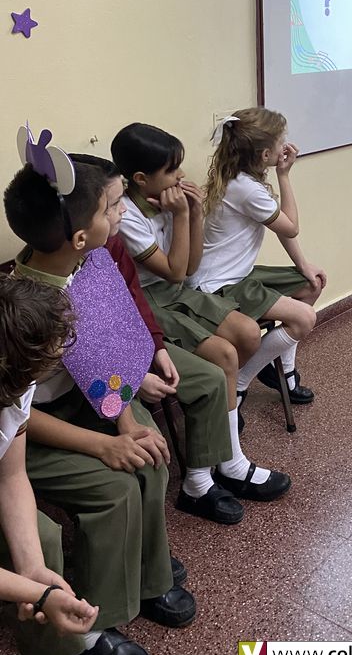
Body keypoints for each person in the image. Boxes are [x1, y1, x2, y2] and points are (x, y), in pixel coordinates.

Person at [4, 157, 194, 655]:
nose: (122, 212)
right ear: (81, 235)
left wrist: (127, 421)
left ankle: (147, 577)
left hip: (74, 405)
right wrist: (104, 445)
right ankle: (96, 619)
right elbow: (19, 415)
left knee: (148, 451)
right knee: (114, 487)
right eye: (113, 206)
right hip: (38, 425)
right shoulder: (29, 313)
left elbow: (109, 358)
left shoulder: (89, 264)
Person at [71, 153, 271, 524]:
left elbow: (134, 298)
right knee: (211, 372)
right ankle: (202, 481)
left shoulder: (108, 246)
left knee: (214, 373)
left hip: (136, 342)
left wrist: (157, 347)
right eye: (111, 206)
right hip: (113, 371)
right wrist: (135, 377)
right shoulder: (72, 272)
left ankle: (207, 476)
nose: (121, 211)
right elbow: (89, 344)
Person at [110, 123, 291, 501]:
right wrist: (181, 215)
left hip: (177, 291)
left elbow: (190, 270)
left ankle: (226, 409)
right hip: (149, 299)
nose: (180, 176)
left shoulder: (166, 201)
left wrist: (192, 213)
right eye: (171, 170)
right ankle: (228, 461)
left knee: (248, 333)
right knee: (224, 356)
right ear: (141, 179)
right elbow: (175, 272)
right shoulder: (128, 216)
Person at [0, 274, 110, 655]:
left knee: (39, 541)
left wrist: (31, 569)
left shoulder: (15, 385)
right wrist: (38, 593)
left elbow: (10, 476)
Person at [188, 110, 324, 414]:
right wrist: (285, 175)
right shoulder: (246, 189)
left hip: (239, 274)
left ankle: (282, 370)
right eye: (281, 142)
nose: (285, 146)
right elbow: (291, 226)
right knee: (304, 318)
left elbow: (280, 228)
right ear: (265, 155)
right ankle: (241, 381)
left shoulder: (242, 179)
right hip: (219, 284)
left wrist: (303, 266)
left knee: (311, 284)